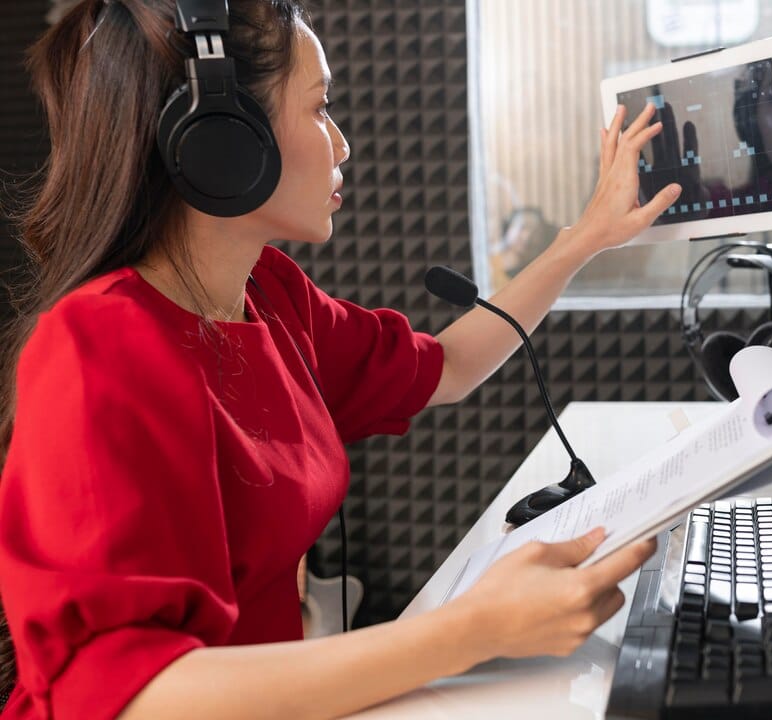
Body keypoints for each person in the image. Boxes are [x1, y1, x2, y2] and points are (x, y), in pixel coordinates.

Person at [0, 0, 684, 718]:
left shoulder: (271, 296)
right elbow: (126, 696)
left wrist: (586, 238)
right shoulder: (96, 348)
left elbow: (445, 367)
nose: (343, 143)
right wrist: (472, 630)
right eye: (321, 108)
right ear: (221, 140)